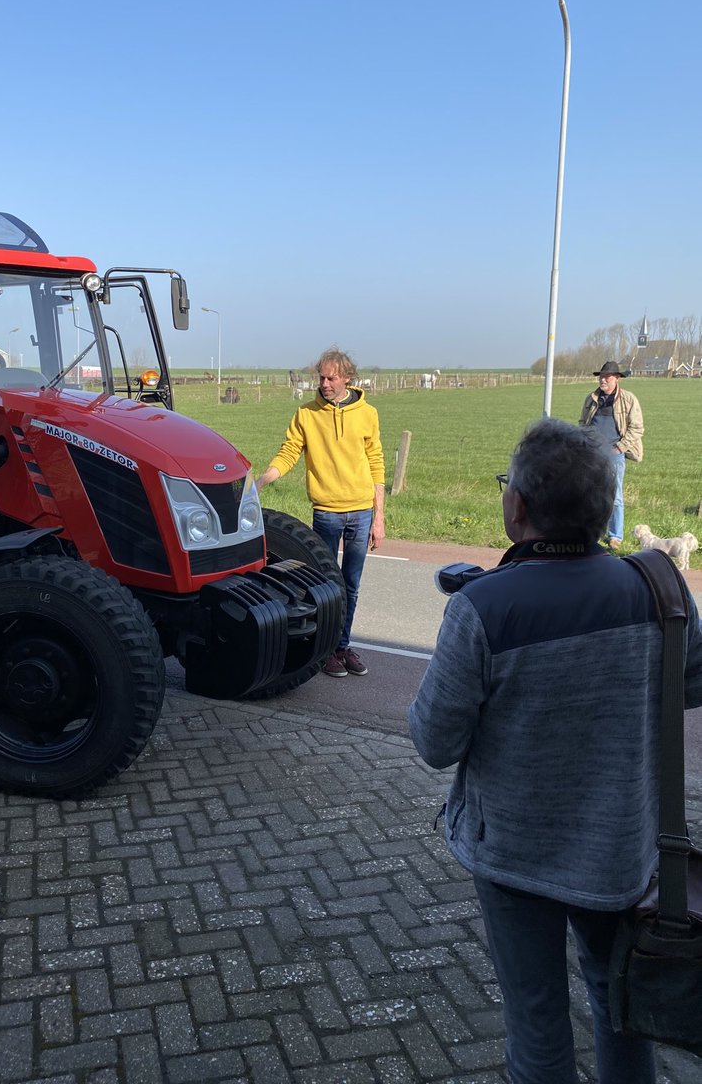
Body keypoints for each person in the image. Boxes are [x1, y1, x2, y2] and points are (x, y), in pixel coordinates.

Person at [408, 418, 702, 1084]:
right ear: (603, 511)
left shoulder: (482, 608)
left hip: (514, 856)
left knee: (537, 1019)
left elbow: (433, 741)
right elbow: (691, 684)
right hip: (621, 852)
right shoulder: (660, 589)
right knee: (623, 1004)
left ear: (517, 508)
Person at [255, 347, 385, 678]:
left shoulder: (367, 413)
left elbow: (376, 464)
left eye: (331, 377)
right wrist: (262, 481)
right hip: (326, 513)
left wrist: (379, 518)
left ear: (347, 378)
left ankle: (342, 646)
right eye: (321, 377)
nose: (325, 383)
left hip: (361, 512)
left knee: (351, 585)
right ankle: (324, 652)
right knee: (327, 586)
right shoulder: (306, 414)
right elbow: (288, 453)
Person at [578, 360, 644, 549]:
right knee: (592, 494)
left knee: (615, 496)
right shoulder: (591, 398)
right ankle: (594, 532)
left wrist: (620, 448)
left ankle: (615, 536)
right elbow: (583, 423)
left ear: (617, 378)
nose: (603, 380)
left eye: (607, 377)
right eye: (601, 376)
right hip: (593, 454)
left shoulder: (628, 399)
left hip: (615, 455)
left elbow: (637, 428)